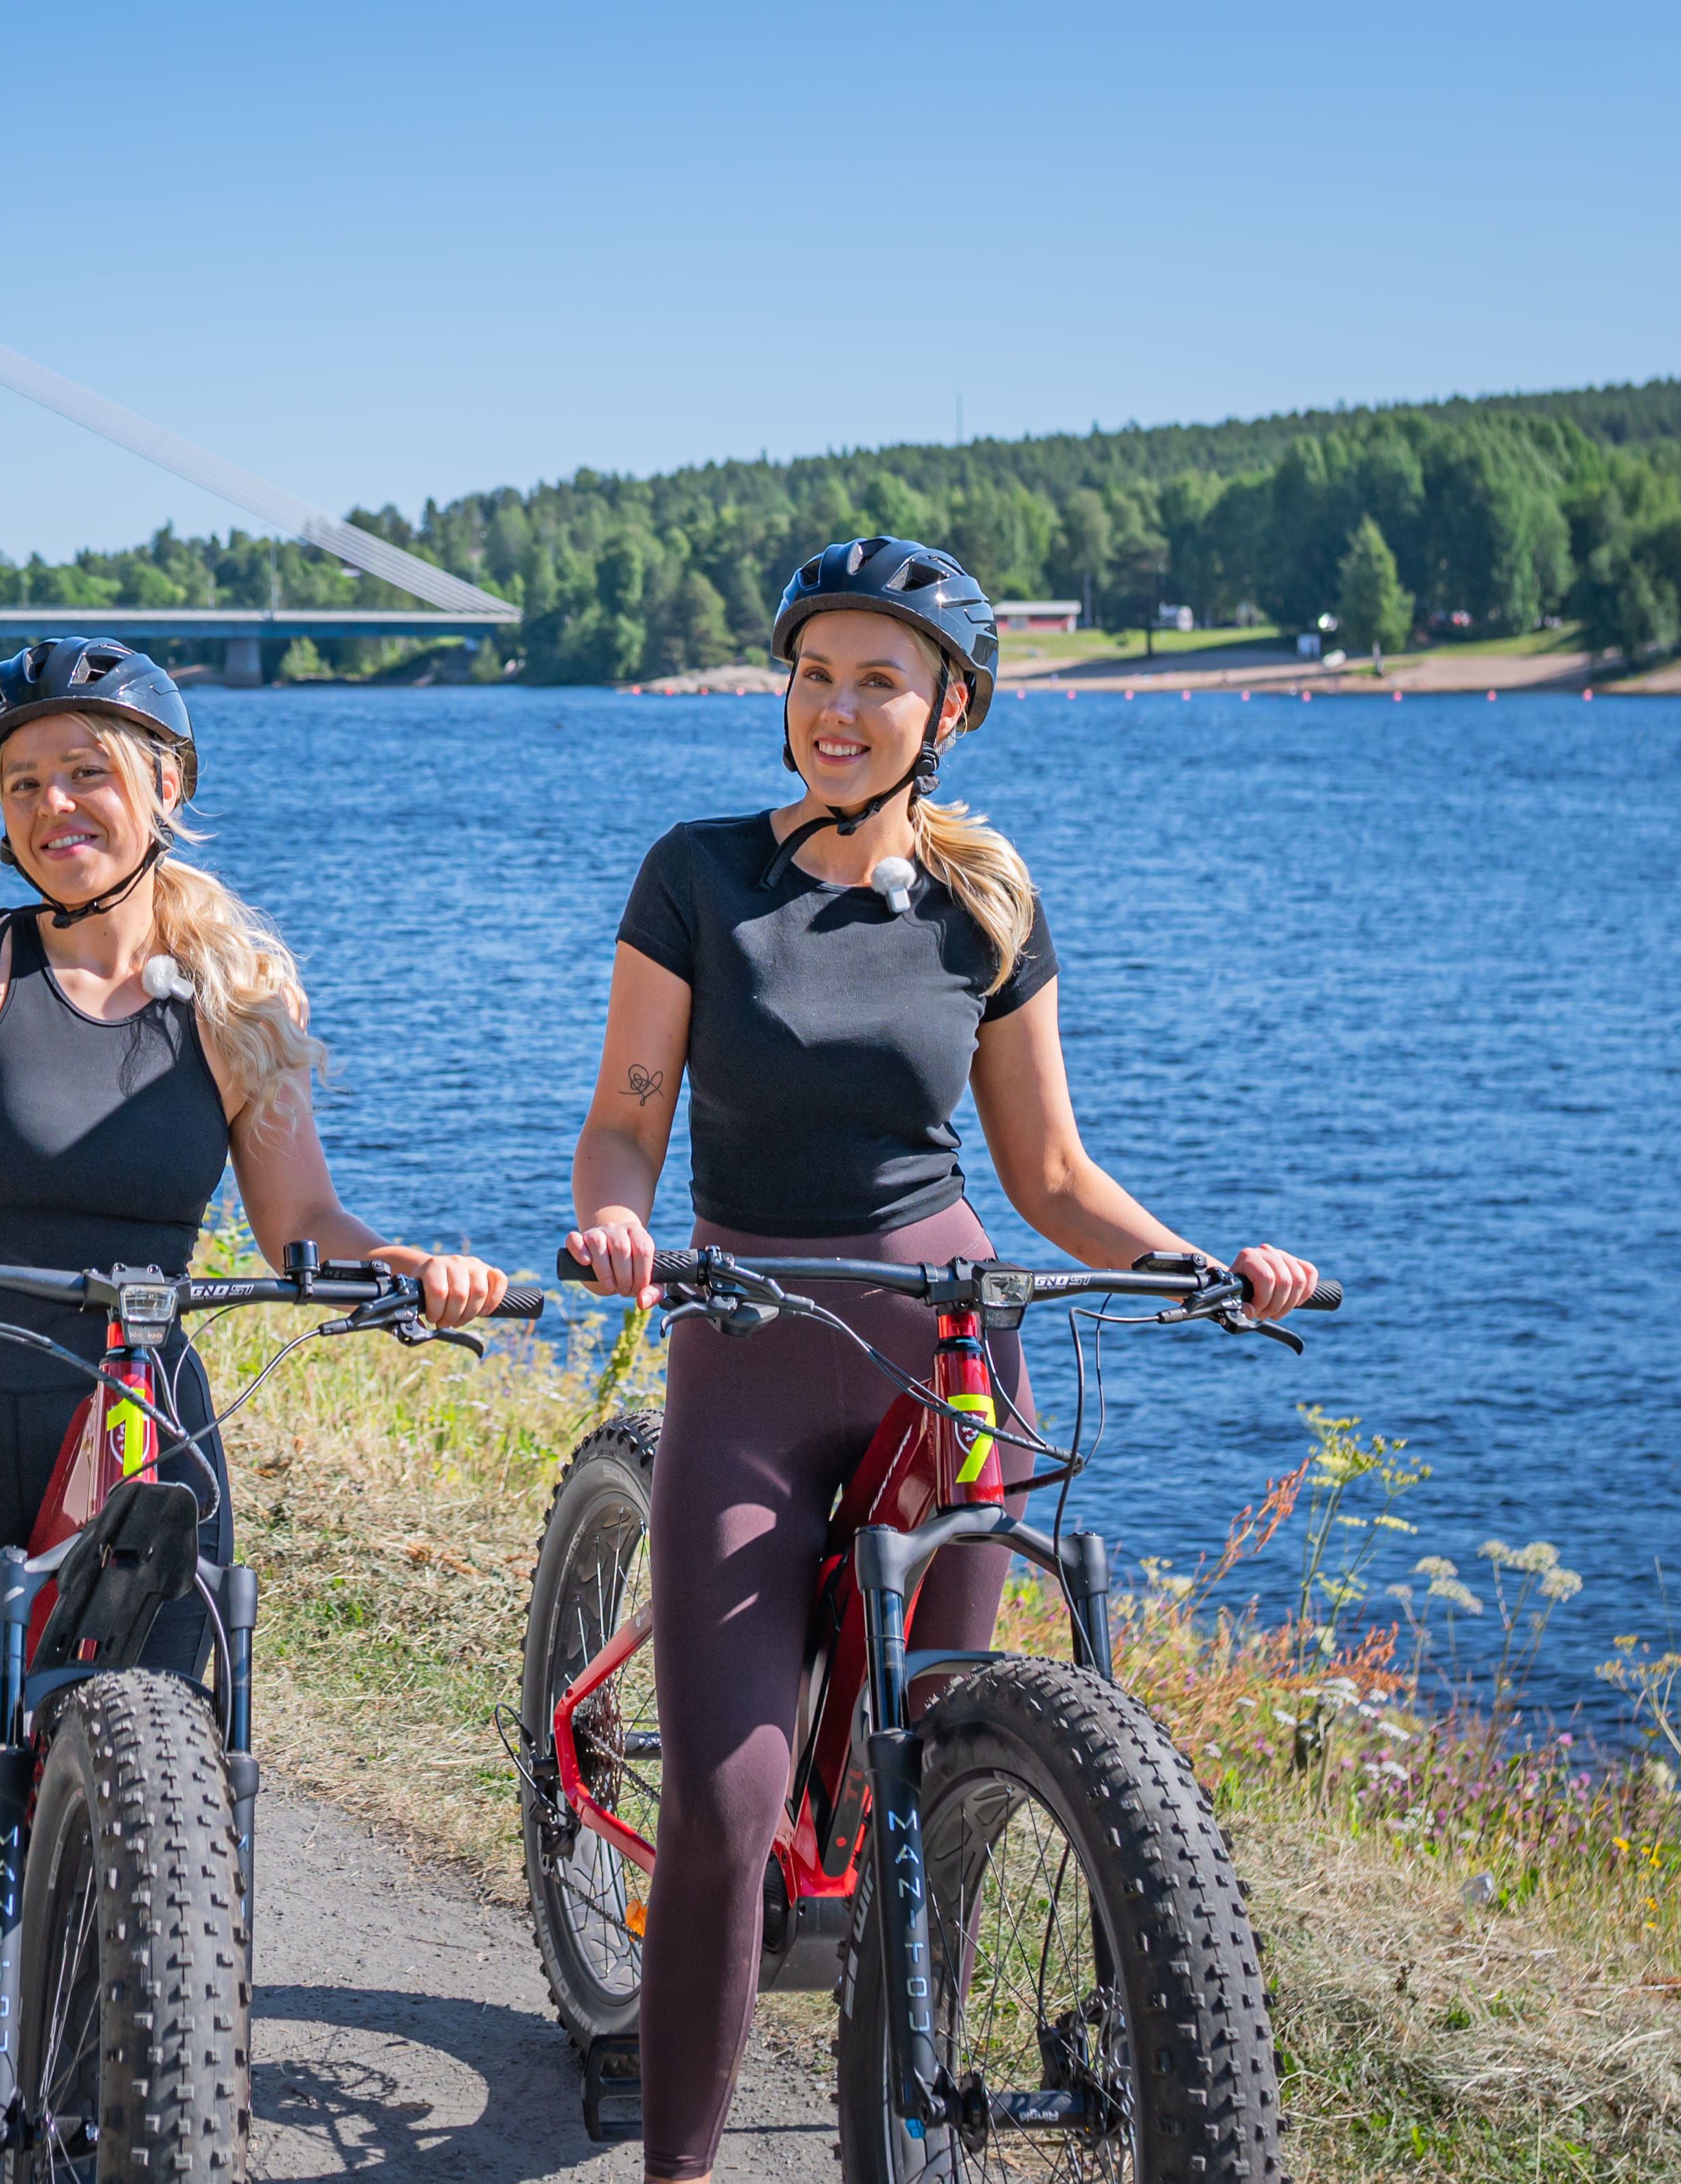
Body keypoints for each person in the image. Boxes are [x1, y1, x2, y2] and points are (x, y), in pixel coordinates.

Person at [0, 637, 509, 2184]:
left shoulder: (234, 994)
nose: (55, 802)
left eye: (88, 773)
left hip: (139, 1477)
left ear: (164, 791)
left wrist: (406, 1270)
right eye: (22, 782)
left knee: (160, 1843)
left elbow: (300, 1228)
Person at [560, 538, 1320, 2183]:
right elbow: (625, 1122)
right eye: (815, 677)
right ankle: (679, 2168)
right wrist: (618, 1227)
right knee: (725, 1799)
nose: (838, 710)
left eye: (878, 682)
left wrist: (1203, 1266)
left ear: (946, 709)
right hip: (750, 1344)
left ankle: (898, 2138)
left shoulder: (984, 907)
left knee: (933, 1775)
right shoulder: (697, 875)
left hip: (950, 1360)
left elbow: (1047, 1174)